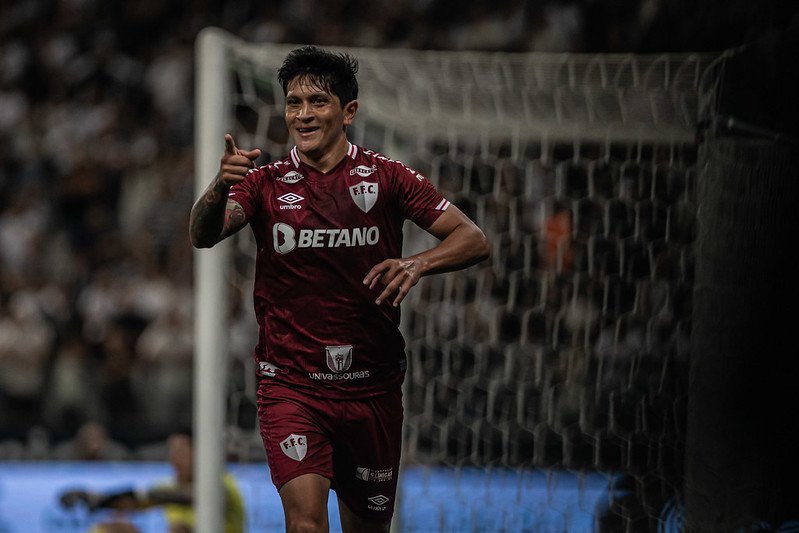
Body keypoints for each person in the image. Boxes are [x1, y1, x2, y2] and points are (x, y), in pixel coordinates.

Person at [189, 45, 490, 532]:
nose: (303, 114)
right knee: (306, 525)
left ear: (348, 111)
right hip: (291, 384)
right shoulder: (263, 183)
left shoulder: (388, 177)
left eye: (317, 102)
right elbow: (203, 235)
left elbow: (473, 239)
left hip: (372, 387)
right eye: (294, 103)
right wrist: (219, 186)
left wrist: (418, 263)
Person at [59, 431, 245, 533]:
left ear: (200, 454)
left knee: (180, 530)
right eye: (171, 453)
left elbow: (198, 497)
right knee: (111, 529)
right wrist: (97, 499)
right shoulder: (169, 487)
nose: (173, 459)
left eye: (180, 453)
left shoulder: (223, 483)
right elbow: (133, 502)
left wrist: (153, 496)